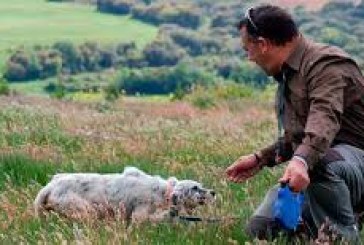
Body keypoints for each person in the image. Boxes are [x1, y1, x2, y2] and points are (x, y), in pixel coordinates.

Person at [225, 4, 364, 243]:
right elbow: (300, 136)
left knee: (317, 161)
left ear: (263, 44)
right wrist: (261, 159)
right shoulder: (290, 74)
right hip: (328, 168)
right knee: (261, 230)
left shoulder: (327, 66)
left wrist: (300, 161)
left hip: (354, 162)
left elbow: (324, 121)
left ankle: (340, 236)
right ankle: (314, 225)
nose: (249, 58)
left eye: (248, 50)